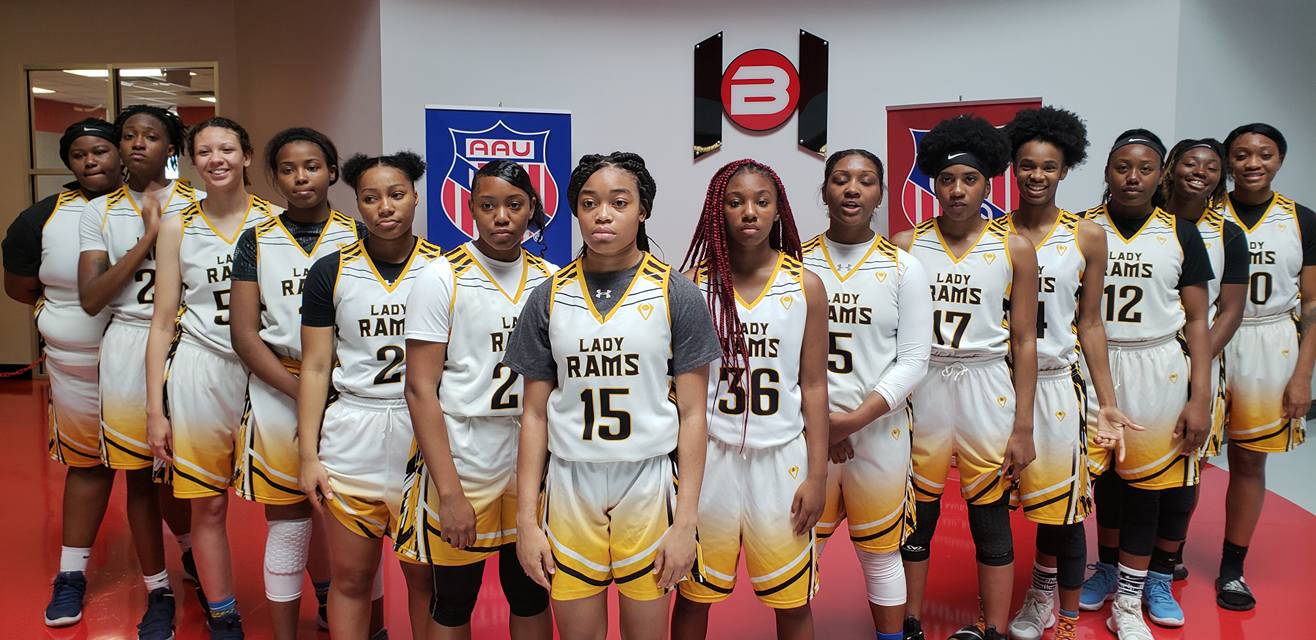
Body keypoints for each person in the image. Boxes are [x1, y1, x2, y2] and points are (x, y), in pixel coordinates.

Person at [503, 152, 721, 640]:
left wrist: (686, 522)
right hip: (569, 481)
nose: (603, 214)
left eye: (619, 202)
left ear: (643, 210)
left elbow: (693, 415)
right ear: (576, 211)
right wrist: (526, 521)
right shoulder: (548, 295)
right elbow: (533, 415)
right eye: (589, 203)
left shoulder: (676, 293)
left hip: (647, 481)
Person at [891, 115, 1039, 640]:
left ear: (988, 186)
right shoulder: (906, 244)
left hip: (986, 382)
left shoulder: (1014, 247)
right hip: (924, 380)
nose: (957, 190)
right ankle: (909, 620)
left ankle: (993, 628)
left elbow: (1025, 340)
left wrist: (1024, 425)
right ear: (933, 184)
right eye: (948, 179)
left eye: (969, 179)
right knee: (919, 513)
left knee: (989, 515)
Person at [670, 159, 828, 640]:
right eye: (735, 202)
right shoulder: (692, 285)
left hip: (782, 460)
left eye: (762, 201)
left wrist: (818, 475)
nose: (749, 212)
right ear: (717, 210)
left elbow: (814, 386)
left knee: (792, 601)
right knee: (693, 595)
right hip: (709, 458)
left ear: (779, 210)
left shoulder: (805, 284)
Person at [397, 159, 555, 639]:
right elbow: (420, 388)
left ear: (532, 208)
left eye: (514, 204)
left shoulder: (552, 279)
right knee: (454, 599)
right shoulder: (441, 276)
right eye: (488, 205)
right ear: (470, 209)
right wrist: (449, 493)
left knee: (531, 591)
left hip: (533, 454)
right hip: (466, 456)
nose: (501, 217)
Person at [1001, 107, 1136, 640]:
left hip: (1057, 381)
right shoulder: (992, 233)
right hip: (999, 382)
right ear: (1013, 168)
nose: (1037, 175)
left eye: (1049, 166)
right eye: (1027, 165)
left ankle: (1057, 608)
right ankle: (1001, 602)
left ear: (1065, 170)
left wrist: (1108, 401)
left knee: (1064, 507)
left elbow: (1090, 322)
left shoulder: (1087, 236)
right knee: (994, 503)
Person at [298, 151, 442, 640]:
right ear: (357, 204)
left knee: (425, 578)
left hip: (422, 430)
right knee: (353, 577)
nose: (385, 207)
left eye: (396, 195)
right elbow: (316, 367)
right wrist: (308, 454)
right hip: (352, 430)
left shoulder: (444, 268)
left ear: (415, 198)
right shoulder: (331, 270)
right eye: (371, 197)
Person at [1076, 130, 1213, 640]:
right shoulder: (1081, 228)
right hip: (1092, 362)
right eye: (1122, 167)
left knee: (1148, 488)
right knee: (1103, 481)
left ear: (1161, 176)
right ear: (1107, 172)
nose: (1133, 177)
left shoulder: (1181, 232)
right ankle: (1108, 570)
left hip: (1157, 364)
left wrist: (1201, 396)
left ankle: (1132, 598)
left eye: (1145, 168)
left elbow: (1197, 320)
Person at [77, 105, 204, 639]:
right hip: (130, 342)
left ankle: (200, 561)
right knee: (140, 477)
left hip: (193, 342)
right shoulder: (100, 211)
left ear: (171, 147)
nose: (136, 143)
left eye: (150, 136)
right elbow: (92, 297)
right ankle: (158, 590)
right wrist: (148, 239)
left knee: (194, 474)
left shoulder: (199, 203)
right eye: (128, 135)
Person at [229, 127, 363, 638]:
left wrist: (330, 394)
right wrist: (304, 394)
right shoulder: (256, 239)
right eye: (287, 169)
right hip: (280, 386)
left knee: (356, 521)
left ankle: (356, 621)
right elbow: (245, 335)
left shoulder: (357, 235)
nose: (300, 177)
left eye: (311, 166)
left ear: (332, 171)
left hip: (349, 391)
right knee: (288, 520)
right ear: (274, 178)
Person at [145, 116, 274, 638]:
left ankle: (328, 595)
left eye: (226, 149)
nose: (216, 160)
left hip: (266, 370)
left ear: (247, 156)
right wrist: (154, 409)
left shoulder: (277, 221)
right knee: (209, 504)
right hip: (201, 368)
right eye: (204, 152)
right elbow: (161, 320)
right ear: (192, 162)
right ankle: (223, 615)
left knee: (291, 502)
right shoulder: (177, 225)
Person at [804, 148, 930, 640]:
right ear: (824, 191)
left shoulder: (903, 268)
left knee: (879, 553)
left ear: (880, 193)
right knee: (799, 549)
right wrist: (822, 427)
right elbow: (780, 354)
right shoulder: (794, 261)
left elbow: (914, 360)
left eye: (865, 180)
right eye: (840, 179)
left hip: (878, 431)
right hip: (804, 434)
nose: (852, 189)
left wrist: (851, 421)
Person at [3, 119, 121, 627]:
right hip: (77, 366)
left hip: (149, 362)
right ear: (68, 162)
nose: (90, 160)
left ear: (121, 154)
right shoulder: (41, 217)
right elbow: (19, 285)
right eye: (79, 154)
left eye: (101, 150)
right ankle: (71, 574)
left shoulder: (157, 206)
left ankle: (186, 559)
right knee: (87, 464)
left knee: (158, 470)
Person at [1216, 123, 1315, 611]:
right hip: (1212, 337)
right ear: (1228, 162)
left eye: (1264, 154)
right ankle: (1166, 559)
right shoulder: (1206, 212)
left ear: (1280, 160)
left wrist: (1303, 376)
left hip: (1270, 341)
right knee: (1183, 453)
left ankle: (1232, 568)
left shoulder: (1301, 220)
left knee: (1249, 460)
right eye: (1241, 154)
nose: (1253, 163)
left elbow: (1313, 303)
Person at [1157, 138, 1248, 592]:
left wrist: (1195, 363)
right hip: (1136, 358)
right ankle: (1120, 558)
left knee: (1185, 459)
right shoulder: (1143, 219)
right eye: (1191, 163)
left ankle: (1167, 553)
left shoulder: (1228, 234)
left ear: (1220, 178)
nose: (1200, 172)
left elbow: (1230, 310)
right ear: (1171, 168)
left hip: (1199, 358)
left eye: (1211, 167)